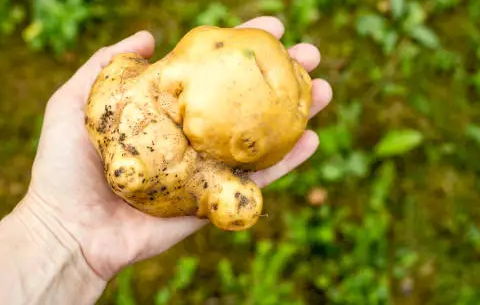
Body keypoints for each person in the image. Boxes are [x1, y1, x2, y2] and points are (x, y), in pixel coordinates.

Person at [0, 16, 333, 304]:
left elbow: (227, 194)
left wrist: (228, 197)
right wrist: (53, 228)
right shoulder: (131, 93)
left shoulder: (211, 167)